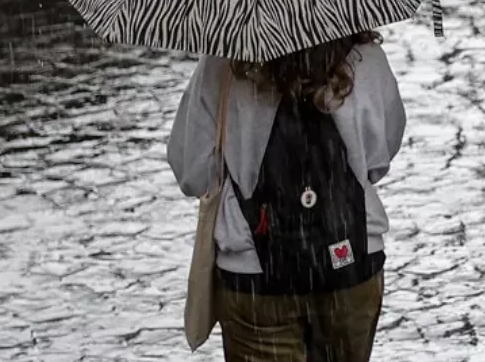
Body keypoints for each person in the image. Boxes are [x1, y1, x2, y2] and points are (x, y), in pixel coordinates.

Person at [167, 30, 405, 362]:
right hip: (352, 261)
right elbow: (380, 158)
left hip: (255, 278)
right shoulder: (365, 58)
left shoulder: (224, 64)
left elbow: (193, 173)